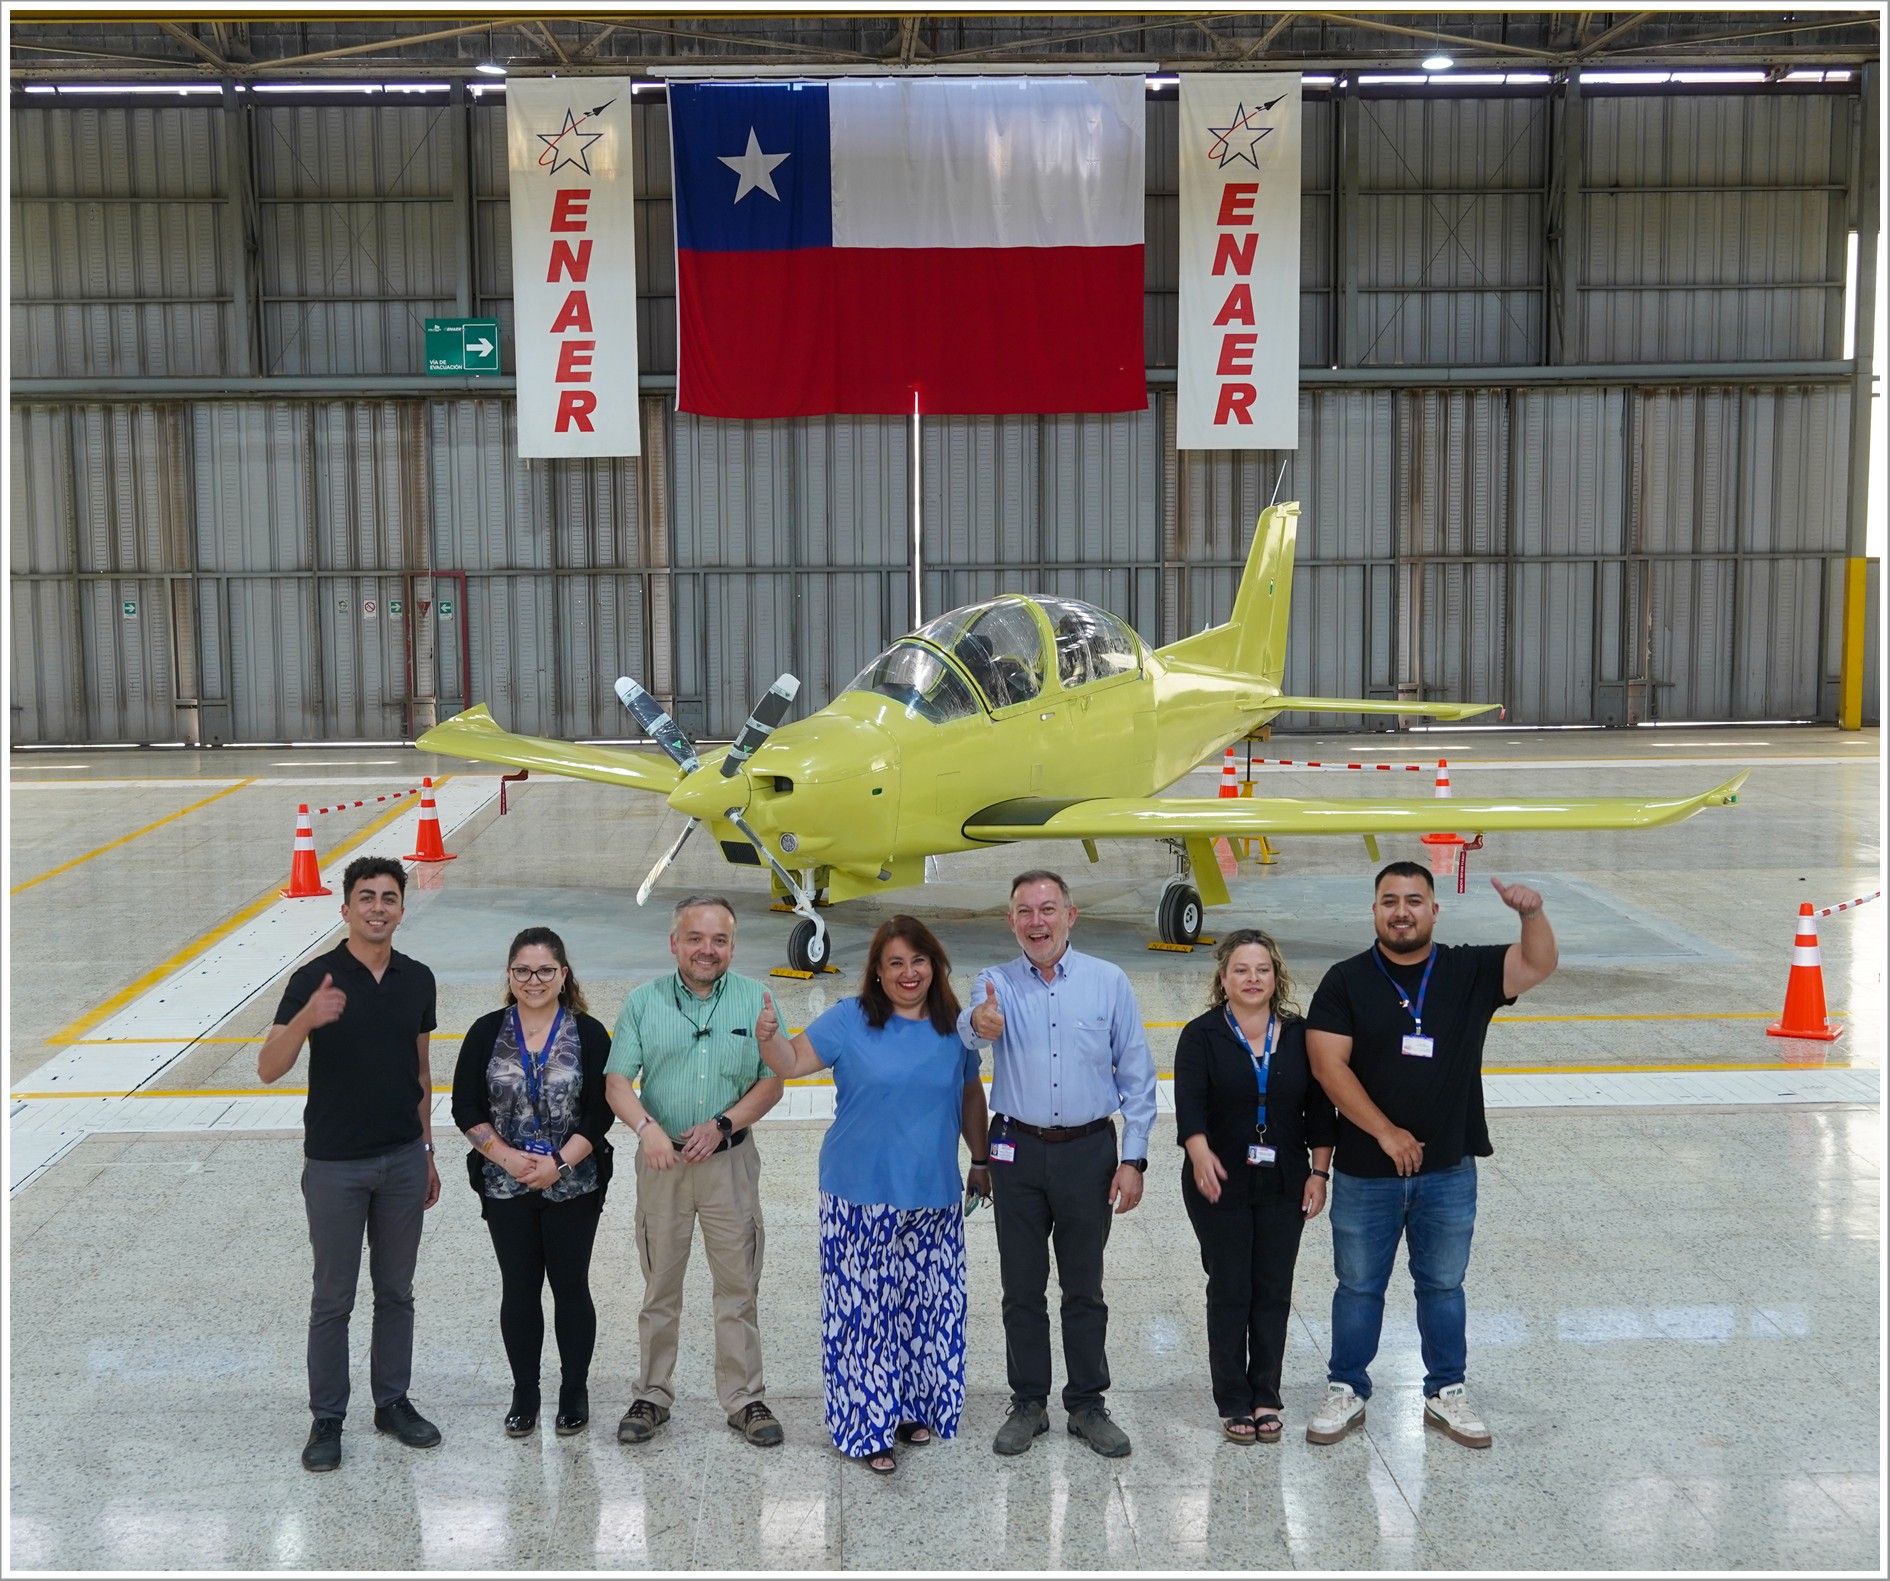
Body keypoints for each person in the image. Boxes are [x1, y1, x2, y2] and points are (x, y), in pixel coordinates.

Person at [1304, 864, 1557, 1451]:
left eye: (1414, 901)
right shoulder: (1345, 981)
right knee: (1358, 1286)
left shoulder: (1469, 970)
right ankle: (1347, 1388)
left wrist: (1532, 914)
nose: (1402, 912)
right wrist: (1386, 1133)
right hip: (1366, 1171)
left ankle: (1446, 1391)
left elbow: (1538, 963)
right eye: (1390, 901)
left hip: (1447, 1169)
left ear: (1434, 911)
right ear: (1374, 911)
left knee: (1443, 1285)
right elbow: (1326, 1065)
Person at [754, 916, 991, 1475]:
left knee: (924, 1309)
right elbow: (790, 1062)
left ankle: (909, 1409)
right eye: (895, 963)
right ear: (877, 973)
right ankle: (865, 1428)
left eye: (919, 961)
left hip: (933, 1193)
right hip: (858, 1192)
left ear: (935, 966)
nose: (909, 973)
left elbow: (969, 1094)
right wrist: (768, 1038)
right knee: (861, 1315)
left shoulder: (954, 1026)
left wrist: (981, 1160)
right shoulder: (849, 1018)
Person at [960, 869, 1158, 1459]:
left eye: (1048, 909)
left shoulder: (1108, 981)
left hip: (1089, 1151)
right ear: (1011, 921)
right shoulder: (993, 983)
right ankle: (1028, 1402)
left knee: (1084, 1286)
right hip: (1015, 1151)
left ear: (1070, 916)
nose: (1037, 921)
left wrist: (1134, 1158)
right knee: (1021, 1286)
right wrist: (977, 1023)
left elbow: (1137, 1075)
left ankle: (1087, 1403)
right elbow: (968, 1036)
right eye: (1025, 911)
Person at [259, 855, 442, 1473]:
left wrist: (427, 1150)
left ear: (402, 910)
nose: (377, 908)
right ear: (345, 908)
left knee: (396, 1291)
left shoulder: (418, 979)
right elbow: (268, 1067)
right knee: (333, 1297)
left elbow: (421, 1073)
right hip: (335, 1164)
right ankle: (327, 1418)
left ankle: (392, 1403)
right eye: (366, 897)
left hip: (402, 1160)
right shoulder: (313, 978)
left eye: (388, 898)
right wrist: (306, 1019)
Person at [604, 895, 787, 1448]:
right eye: (696, 939)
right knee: (660, 1284)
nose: (707, 950)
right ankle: (652, 1394)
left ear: (732, 945)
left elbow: (773, 1082)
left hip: (729, 1164)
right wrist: (646, 1128)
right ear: (674, 943)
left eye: (719, 940)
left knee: (738, 1285)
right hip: (664, 1162)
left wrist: (724, 1125)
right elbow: (617, 1081)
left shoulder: (757, 999)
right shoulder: (643, 1002)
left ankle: (745, 1398)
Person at [451, 927, 615, 1439]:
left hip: (574, 1185)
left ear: (563, 975)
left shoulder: (589, 1033)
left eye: (545, 970)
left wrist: (559, 1164)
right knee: (519, 1289)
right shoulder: (485, 1032)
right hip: (506, 1186)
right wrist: (505, 1158)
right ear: (509, 974)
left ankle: (573, 1390)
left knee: (571, 1287)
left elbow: (601, 1111)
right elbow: (465, 1106)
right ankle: (525, 1392)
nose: (534, 980)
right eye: (522, 970)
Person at [1174, 928, 1337, 1444]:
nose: (1252, 979)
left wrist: (1319, 1173)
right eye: (1241, 970)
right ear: (1223, 978)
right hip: (1218, 1181)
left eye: (1262, 970)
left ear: (1276, 976)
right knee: (1230, 1288)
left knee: (1272, 1287)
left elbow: (1321, 1113)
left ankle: (1266, 1393)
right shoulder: (1201, 1035)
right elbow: (1189, 1107)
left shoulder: (1301, 1035)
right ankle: (1232, 1399)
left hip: (1285, 1179)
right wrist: (1199, 1153)